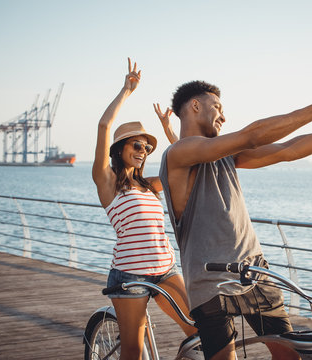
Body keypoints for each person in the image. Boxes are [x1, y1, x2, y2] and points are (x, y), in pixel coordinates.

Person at [157, 80, 312, 360]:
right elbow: (251, 136)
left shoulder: (225, 155)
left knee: (290, 356)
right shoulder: (178, 153)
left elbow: (286, 150)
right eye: (217, 107)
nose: (223, 116)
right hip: (210, 284)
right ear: (195, 106)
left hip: (255, 273)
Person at [92, 58, 198, 360]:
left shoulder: (151, 185)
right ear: (120, 148)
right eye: (136, 145)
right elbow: (103, 125)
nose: (142, 152)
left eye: (146, 148)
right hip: (129, 277)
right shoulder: (108, 183)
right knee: (133, 353)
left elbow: (186, 162)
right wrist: (127, 90)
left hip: (165, 270)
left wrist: (167, 127)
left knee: (201, 331)